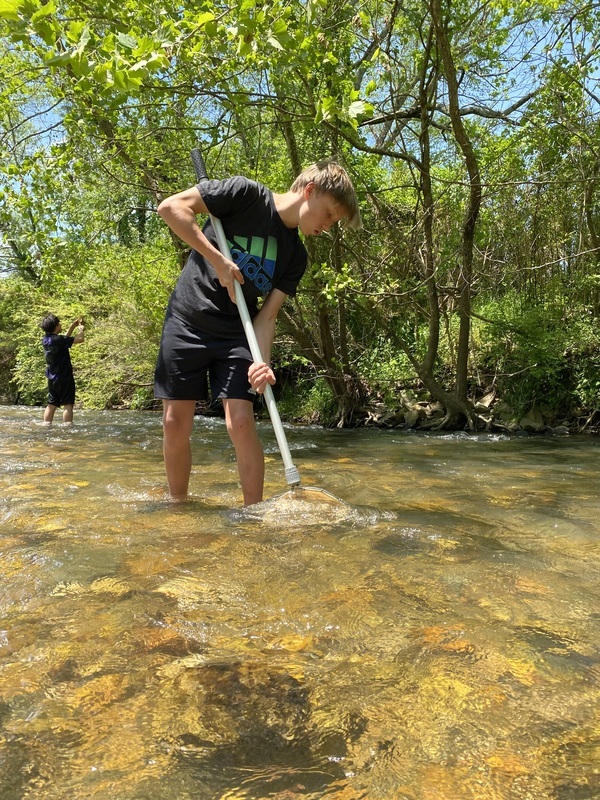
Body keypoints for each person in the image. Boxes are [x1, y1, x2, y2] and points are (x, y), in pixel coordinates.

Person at [155, 159, 360, 505]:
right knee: (175, 421)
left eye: (333, 222)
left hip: (239, 332)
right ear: (310, 192)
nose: (327, 226)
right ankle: (179, 506)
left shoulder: (295, 256)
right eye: (328, 215)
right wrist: (217, 259)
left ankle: (253, 514)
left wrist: (262, 363)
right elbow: (171, 208)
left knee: (240, 421)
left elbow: (267, 317)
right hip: (188, 319)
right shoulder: (245, 194)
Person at [40, 314, 85, 425]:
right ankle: (67, 427)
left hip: (52, 378)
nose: (60, 325)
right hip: (64, 377)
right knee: (68, 403)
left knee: (51, 403)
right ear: (55, 326)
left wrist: (72, 326)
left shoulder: (46, 340)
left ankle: (46, 424)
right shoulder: (58, 340)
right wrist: (81, 329)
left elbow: (63, 339)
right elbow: (80, 339)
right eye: (59, 324)